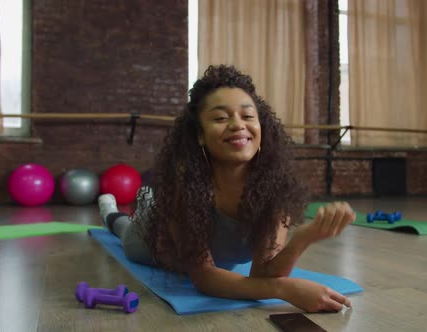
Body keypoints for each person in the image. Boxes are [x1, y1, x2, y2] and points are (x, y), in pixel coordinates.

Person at [98, 64, 356, 313]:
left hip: (211, 257)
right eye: (221, 117)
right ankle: (110, 211)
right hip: (151, 239)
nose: (237, 125)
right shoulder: (185, 186)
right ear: (199, 134)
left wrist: (303, 238)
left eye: (247, 116)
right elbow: (204, 276)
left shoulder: (274, 188)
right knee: (124, 232)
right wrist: (284, 289)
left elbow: (263, 273)